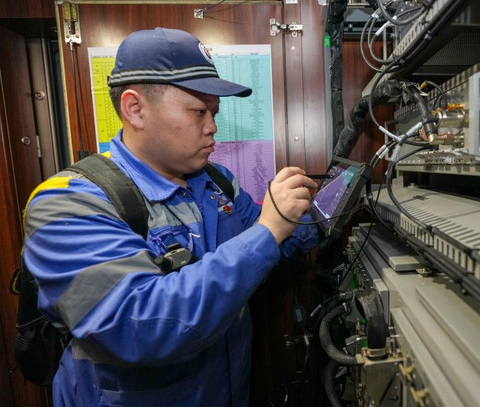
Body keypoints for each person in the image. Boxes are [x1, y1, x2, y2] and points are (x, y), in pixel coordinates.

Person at [22, 27, 321, 406]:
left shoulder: (217, 182)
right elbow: (141, 328)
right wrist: (269, 229)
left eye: (214, 112)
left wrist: (318, 216)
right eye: (199, 112)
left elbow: (274, 244)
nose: (212, 126)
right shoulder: (67, 204)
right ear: (135, 109)